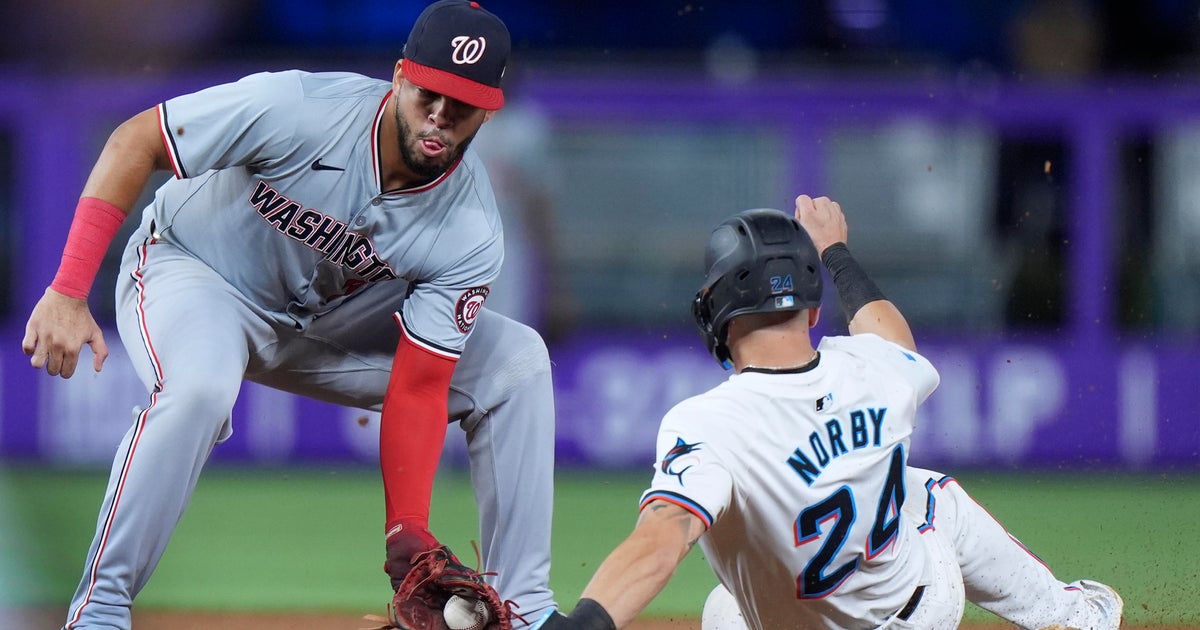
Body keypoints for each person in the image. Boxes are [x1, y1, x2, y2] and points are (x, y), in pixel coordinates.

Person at [20, 1, 558, 628]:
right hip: (196, 273)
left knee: (517, 362)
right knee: (198, 390)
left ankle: (527, 610)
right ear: (400, 76)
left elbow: (418, 385)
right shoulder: (301, 108)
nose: (440, 114)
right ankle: (101, 610)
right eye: (428, 93)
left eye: (461, 103)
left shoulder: (469, 228)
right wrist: (67, 289)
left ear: (488, 111)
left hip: (325, 321)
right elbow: (134, 138)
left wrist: (406, 531)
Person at [543, 196, 1123, 629]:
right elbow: (894, 338)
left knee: (728, 607)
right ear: (815, 313)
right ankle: (1076, 615)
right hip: (916, 614)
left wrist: (586, 623)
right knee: (931, 495)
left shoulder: (707, 424)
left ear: (716, 313)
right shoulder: (876, 368)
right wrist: (835, 253)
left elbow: (665, 538)